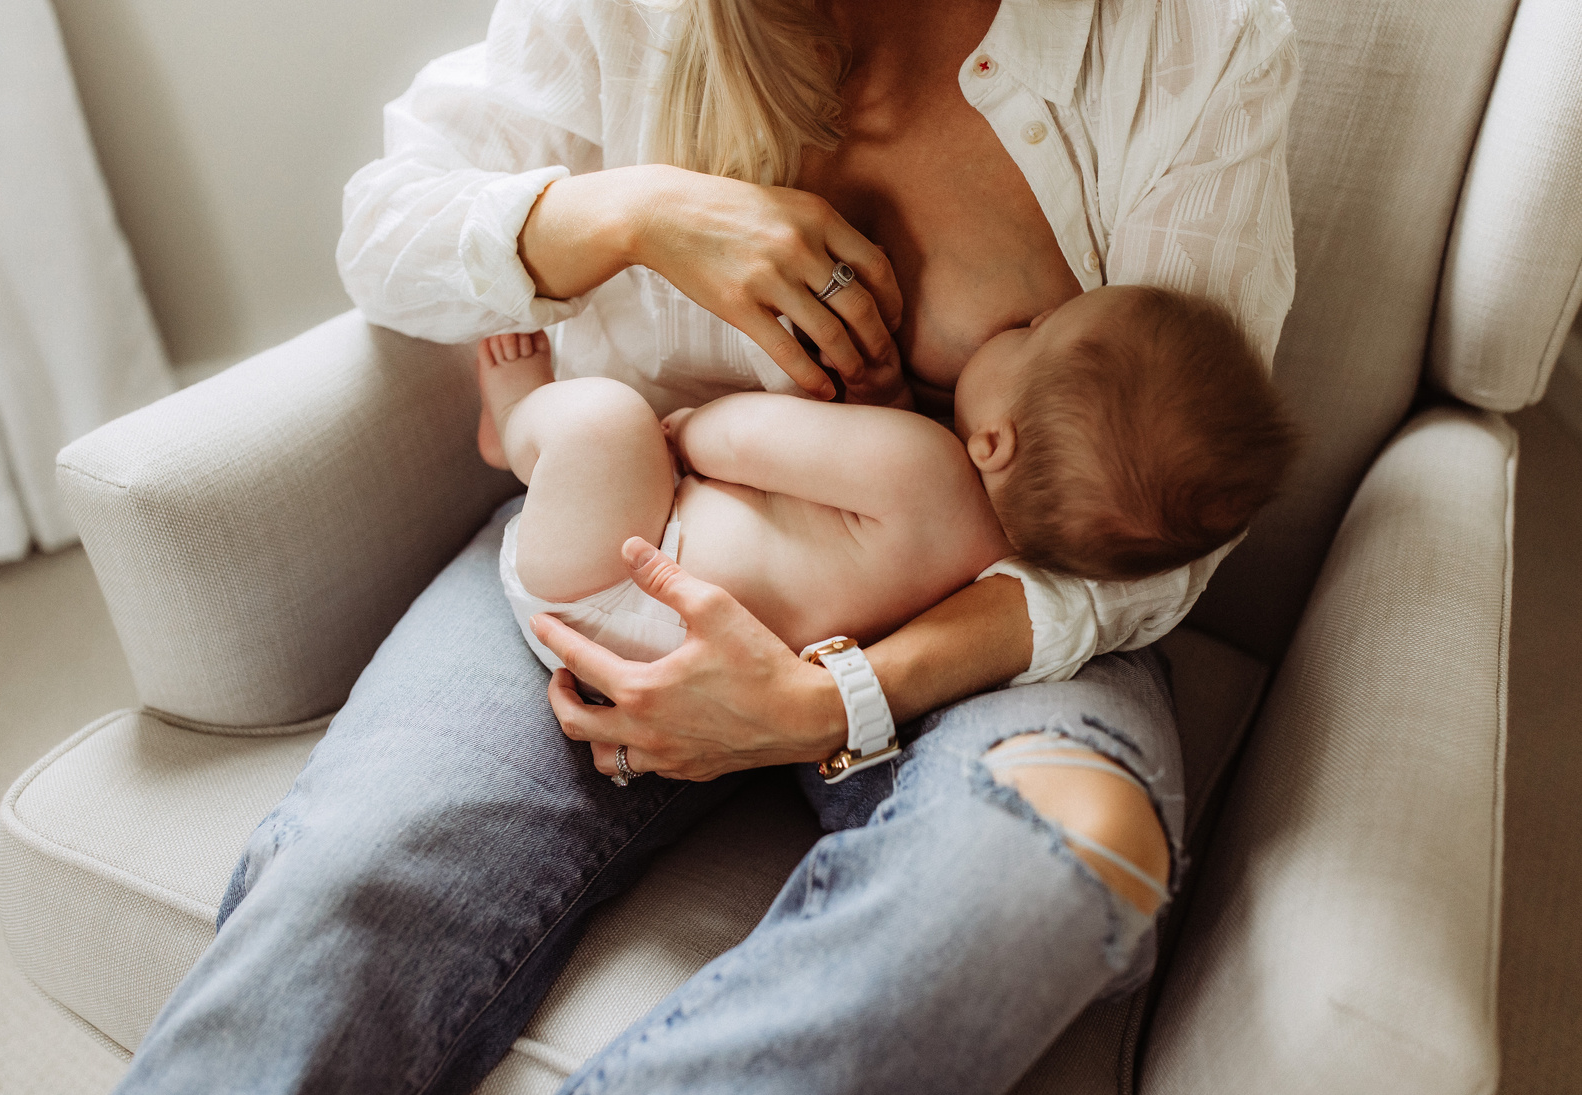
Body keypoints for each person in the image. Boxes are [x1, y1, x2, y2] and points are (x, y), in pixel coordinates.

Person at [113, 1, 1299, 1092]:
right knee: (350, 877)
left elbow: (1176, 515)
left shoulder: (1185, 39)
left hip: (999, 622)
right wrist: (631, 215)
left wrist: (840, 694)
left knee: (1040, 874)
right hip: (632, 543)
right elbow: (385, 226)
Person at [482, 283, 1295, 749]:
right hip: (696, 675)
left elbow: (741, 434)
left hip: (614, 580)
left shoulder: (925, 465)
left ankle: (516, 420)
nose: (1033, 315)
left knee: (606, 425)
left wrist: (681, 438)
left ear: (993, 440)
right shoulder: (989, 566)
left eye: (1036, 333)